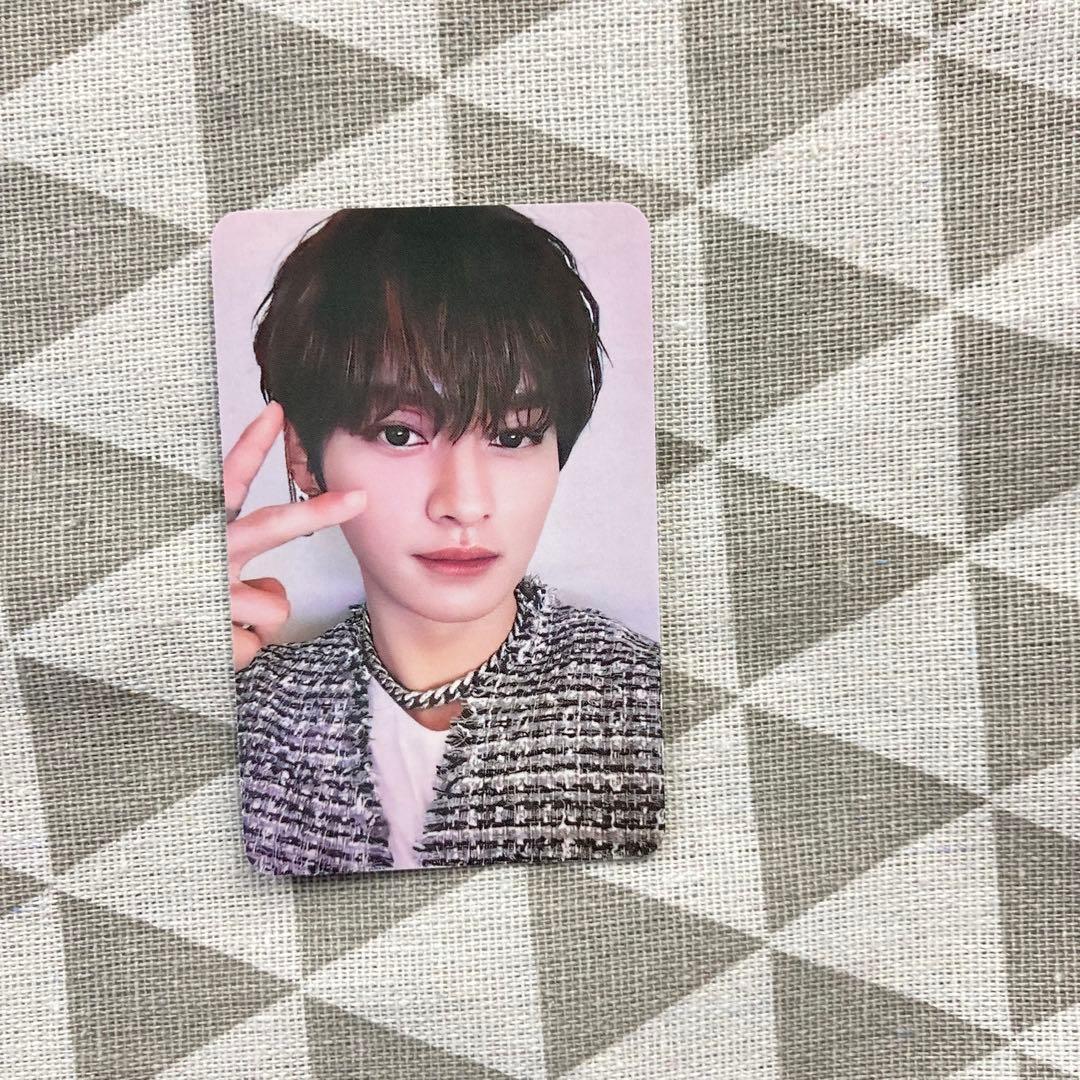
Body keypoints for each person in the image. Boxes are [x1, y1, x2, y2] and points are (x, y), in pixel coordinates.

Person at [227, 206, 663, 875]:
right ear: (304, 457)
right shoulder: (251, 704)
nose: (464, 503)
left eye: (513, 436)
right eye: (400, 433)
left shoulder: (645, 702)